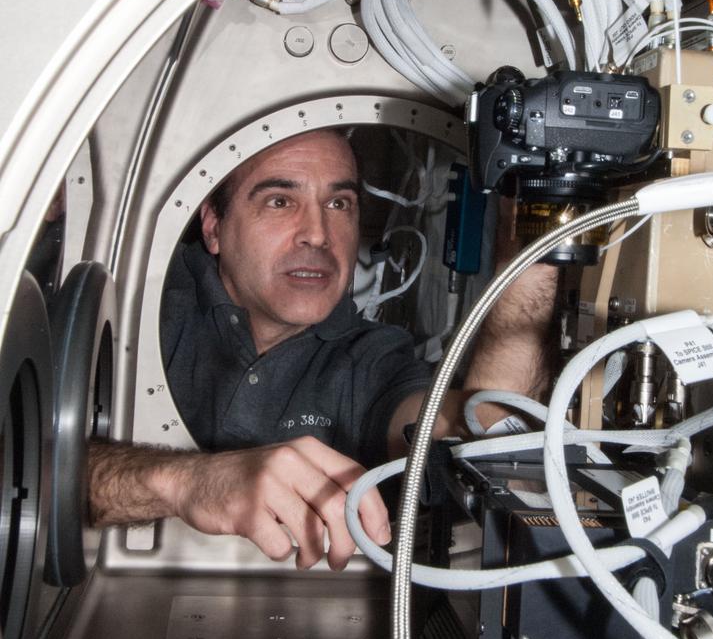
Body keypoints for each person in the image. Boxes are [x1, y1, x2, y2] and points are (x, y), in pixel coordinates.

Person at [87, 128, 558, 570]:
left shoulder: (371, 360)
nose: (317, 233)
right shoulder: (138, 307)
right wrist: (190, 482)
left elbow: (489, 434)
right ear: (213, 227)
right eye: (279, 200)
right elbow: (29, 467)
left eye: (338, 203)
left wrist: (536, 244)